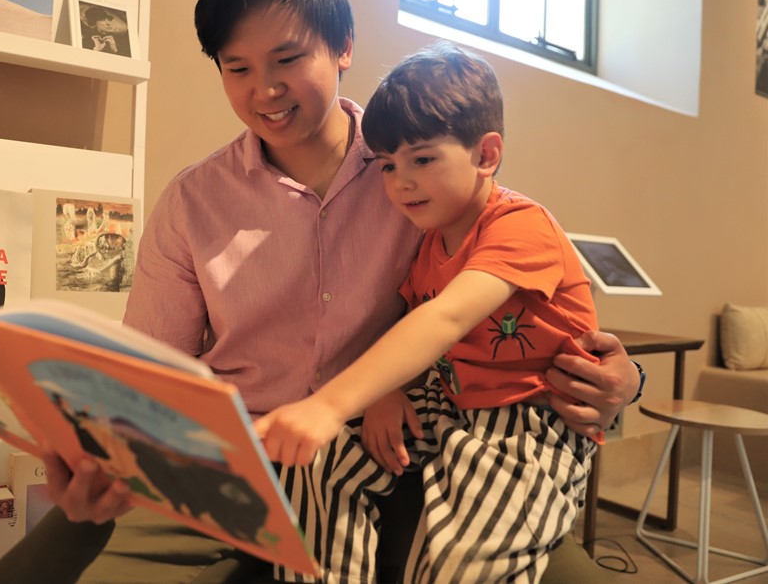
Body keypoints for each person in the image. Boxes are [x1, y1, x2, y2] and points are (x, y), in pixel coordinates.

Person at [0, 0, 640, 584]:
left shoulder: (421, 176)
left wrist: (622, 379)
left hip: (406, 451)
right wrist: (98, 451)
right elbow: (148, 376)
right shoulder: (192, 202)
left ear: (344, 45)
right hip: (229, 462)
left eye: (287, 59)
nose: (264, 89)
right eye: (236, 68)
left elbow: (523, 314)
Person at [254, 40, 602, 583]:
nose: (401, 183)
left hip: (528, 418)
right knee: (320, 467)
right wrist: (387, 390)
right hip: (445, 399)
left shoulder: (521, 226)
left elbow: (444, 319)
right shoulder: (429, 245)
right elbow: (412, 332)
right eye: (389, 166)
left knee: (458, 562)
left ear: (486, 155)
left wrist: (327, 404)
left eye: (422, 159)